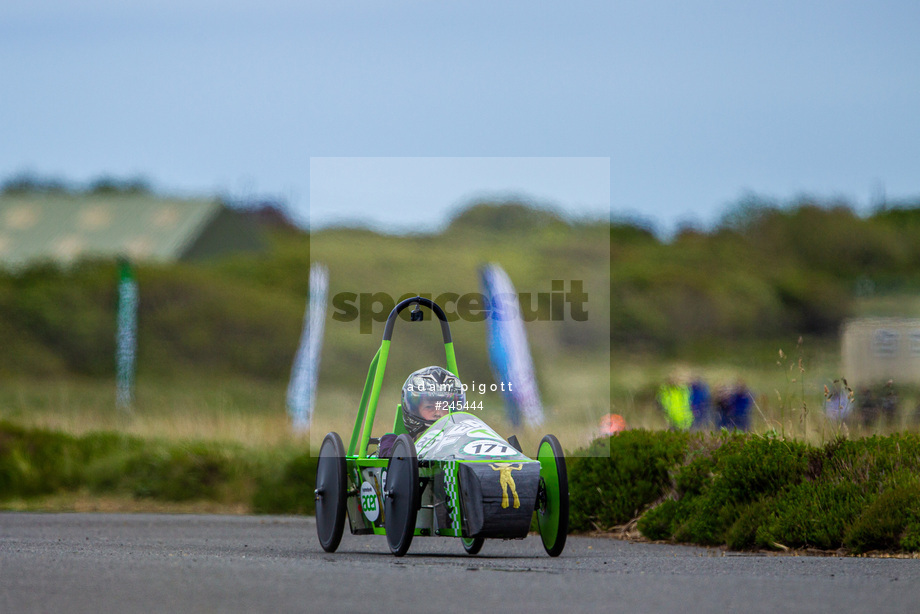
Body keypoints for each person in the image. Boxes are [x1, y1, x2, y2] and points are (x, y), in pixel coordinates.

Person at [377, 365, 465, 457]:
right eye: (430, 407)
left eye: (444, 407)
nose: (438, 413)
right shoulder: (396, 444)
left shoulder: (460, 442)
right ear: (415, 410)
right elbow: (393, 458)